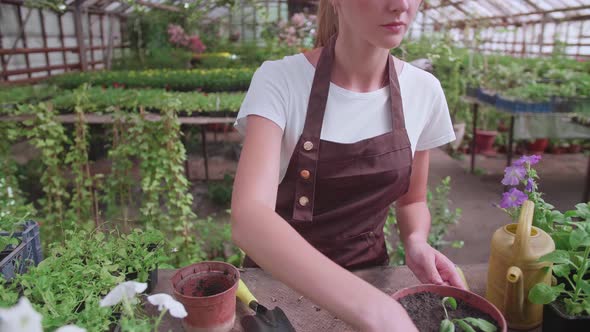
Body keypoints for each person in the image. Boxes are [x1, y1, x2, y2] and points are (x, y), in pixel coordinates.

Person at [231, 1, 465, 330]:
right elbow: (249, 217)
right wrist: (375, 310)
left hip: (371, 276)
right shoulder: (281, 80)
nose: (401, 5)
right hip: (274, 290)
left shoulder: (423, 91)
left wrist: (416, 241)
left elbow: (413, 200)